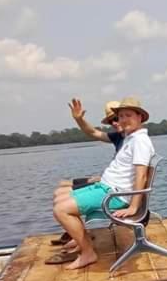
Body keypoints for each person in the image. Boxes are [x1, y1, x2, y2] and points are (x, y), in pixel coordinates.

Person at [49, 97, 155, 269]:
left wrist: (134, 207)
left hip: (114, 194)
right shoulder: (130, 137)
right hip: (105, 188)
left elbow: (141, 176)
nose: (122, 120)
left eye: (128, 115)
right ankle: (83, 242)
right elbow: (93, 133)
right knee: (61, 200)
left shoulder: (140, 141)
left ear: (140, 117)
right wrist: (79, 119)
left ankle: (87, 253)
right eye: (120, 116)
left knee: (61, 210)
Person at [52, 99, 125, 245]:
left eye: (117, 118)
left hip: (111, 187)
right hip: (104, 182)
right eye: (111, 121)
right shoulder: (118, 138)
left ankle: (79, 237)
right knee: (60, 188)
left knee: (61, 195)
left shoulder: (134, 140)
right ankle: (77, 233)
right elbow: (92, 132)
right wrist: (79, 119)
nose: (115, 123)